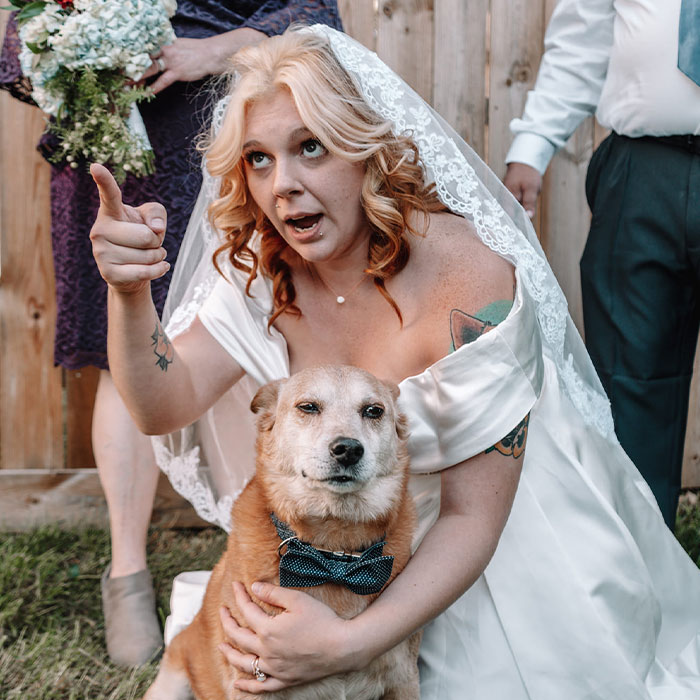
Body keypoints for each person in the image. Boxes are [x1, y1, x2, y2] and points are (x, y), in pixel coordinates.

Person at [89, 26, 700, 698]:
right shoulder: (262, 268)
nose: (283, 186)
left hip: (493, 545)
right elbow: (160, 406)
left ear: (363, 150)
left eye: (310, 148)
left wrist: (347, 643)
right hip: (345, 541)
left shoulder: (469, 280)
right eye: (259, 160)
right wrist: (128, 294)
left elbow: (472, 517)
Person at [0, 1, 343, 667]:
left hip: (231, 138)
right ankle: (125, 569)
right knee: (121, 348)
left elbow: (316, 13)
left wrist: (209, 53)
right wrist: (65, 54)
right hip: (110, 146)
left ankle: (283, 550)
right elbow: (11, 46)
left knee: (265, 330)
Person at [503, 0, 700, 529]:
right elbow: (584, 37)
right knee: (629, 379)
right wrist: (535, 141)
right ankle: (641, 562)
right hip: (642, 171)